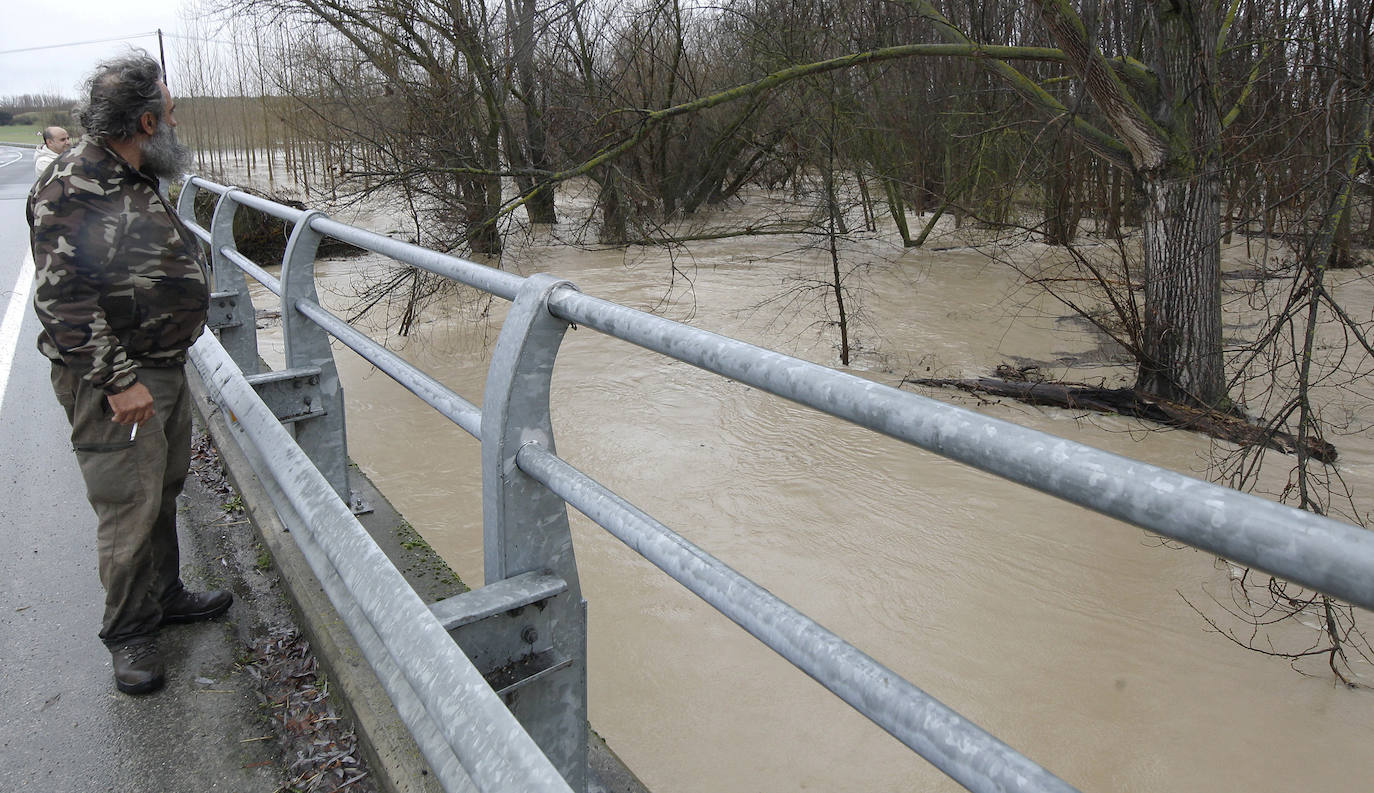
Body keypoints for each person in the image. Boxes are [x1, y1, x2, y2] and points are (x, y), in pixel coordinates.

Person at [28, 53, 231, 696]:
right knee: (128, 504)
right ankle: (129, 633)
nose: (176, 118)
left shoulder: (133, 171)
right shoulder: (74, 185)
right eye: (170, 111)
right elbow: (63, 302)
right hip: (120, 378)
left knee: (162, 489)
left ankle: (164, 595)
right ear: (145, 120)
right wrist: (119, 381)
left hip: (160, 365)